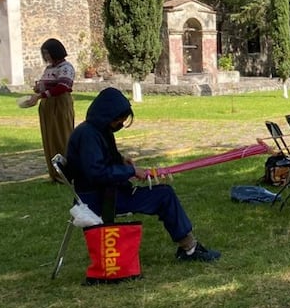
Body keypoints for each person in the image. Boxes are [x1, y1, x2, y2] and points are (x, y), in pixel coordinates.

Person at [63, 87, 220, 262]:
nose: (120, 125)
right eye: (119, 121)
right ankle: (190, 249)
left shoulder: (96, 130)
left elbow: (100, 162)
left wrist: (121, 160)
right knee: (164, 195)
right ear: (109, 116)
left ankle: (189, 247)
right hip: (101, 199)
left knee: (164, 193)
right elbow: (97, 173)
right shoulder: (88, 135)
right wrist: (131, 171)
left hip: (106, 193)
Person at [23, 38, 76, 182]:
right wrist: (39, 88)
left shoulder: (66, 67)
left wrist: (41, 95)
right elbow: (47, 85)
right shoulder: (49, 68)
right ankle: (54, 173)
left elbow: (62, 87)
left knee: (62, 136)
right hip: (47, 106)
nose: (46, 57)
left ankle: (67, 173)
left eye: (48, 53)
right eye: (44, 54)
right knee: (49, 138)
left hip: (60, 104)